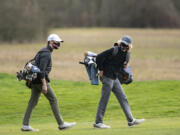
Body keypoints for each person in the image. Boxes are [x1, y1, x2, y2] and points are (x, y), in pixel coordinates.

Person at [21, 34, 76, 131]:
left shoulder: (42, 51)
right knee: (53, 99)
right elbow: (41, 71)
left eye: (59, 42)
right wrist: (45, 84)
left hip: (34, 81)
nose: (58, 44)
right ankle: (61, 124)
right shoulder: (46, 54)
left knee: (32, 102)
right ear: (51, 42)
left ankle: (25, 125)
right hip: (40, 81)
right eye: (57, 42)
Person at [94, 36, 145, 129]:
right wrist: (100, 69)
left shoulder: (126, 55)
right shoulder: (114, 50)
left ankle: (131, 121)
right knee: (104, 99)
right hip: (106, 77)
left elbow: (120, 68)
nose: (123, 46)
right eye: (122, 44)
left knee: (123, 98)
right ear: (120, 43)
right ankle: (98, 122)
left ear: (129, 46)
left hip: (114, 78)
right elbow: (99, 57)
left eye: (126, 45)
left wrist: (126, 73)